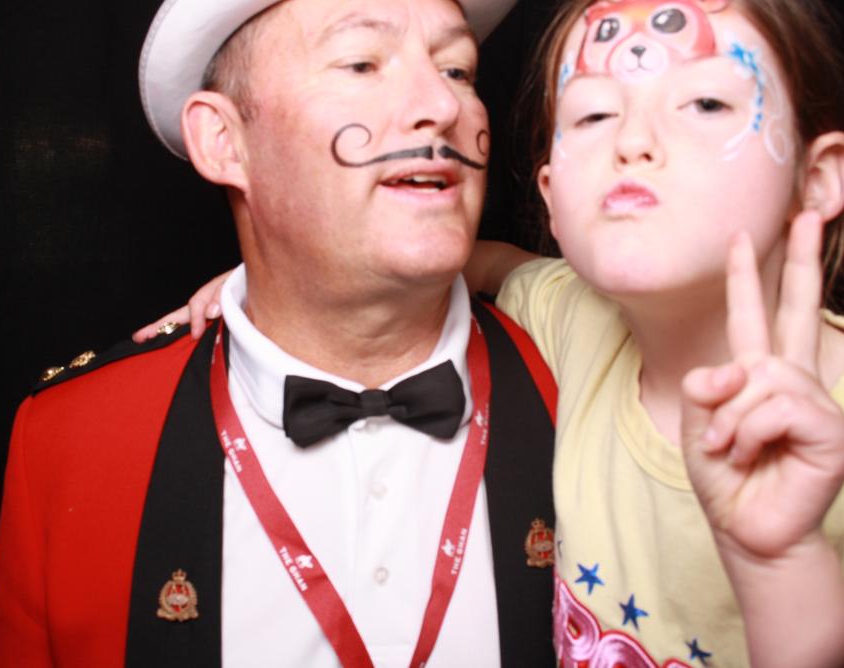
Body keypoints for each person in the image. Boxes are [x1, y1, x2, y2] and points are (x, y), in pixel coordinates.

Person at [149, 0, 844, 666]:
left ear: (818, 179)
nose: (633, 141)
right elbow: (477, 261)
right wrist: (275, 268)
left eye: (707, 104)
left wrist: (783, 565)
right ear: (551, 195)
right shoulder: (567, 316)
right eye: (595, 114)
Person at [0, 1, 562, 666]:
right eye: (361, 63)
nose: (441, 103)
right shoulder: (68, 443)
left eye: (457, 70)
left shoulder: (594, 379)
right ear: (224, 142)